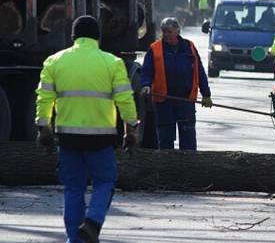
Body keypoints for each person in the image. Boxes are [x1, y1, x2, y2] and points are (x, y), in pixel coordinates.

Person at [35, 15, 138, 243]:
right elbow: (125, 100)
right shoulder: (112, 63)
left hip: (68, 138)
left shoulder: (54, 61)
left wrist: (44, 129)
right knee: (104, 183)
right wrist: (130, 129)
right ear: (98, 38)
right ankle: (92, 222)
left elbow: (44, 99)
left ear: (73, 37)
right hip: (100, 140)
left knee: (73, 189)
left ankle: (75, 240)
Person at [140, 17, 213, 150]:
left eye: (169, 31)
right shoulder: (155, 49)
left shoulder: (189, 47)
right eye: (163, 32)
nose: (166, 35)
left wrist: (206, 94)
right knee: (165, 139)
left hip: (186, 101)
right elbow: (147, 70)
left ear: (177, 31)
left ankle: (189, 166)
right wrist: (145, 85)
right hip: (164, 101)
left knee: (188, 139)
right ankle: (166, 168)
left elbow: (200, 71)